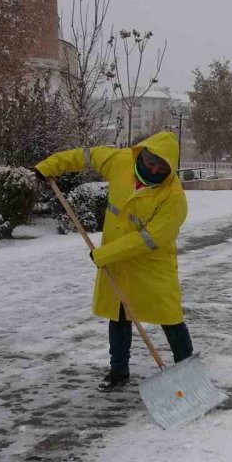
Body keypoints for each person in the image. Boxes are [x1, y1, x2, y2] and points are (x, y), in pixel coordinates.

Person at [33, 131, 191, 392]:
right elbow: (85, 156)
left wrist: (105, 254)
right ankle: (118, 371)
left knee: (170, 316)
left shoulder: (174, 198)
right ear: (143, 152)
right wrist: (48, 167)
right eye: (151, 161)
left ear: (169, 168)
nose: (153, 168)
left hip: (152, 266)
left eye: (160, 166)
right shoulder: (120, 161)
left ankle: (187, 372)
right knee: (119, 315)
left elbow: (149, 239)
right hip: (118, 264)